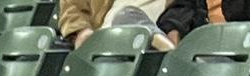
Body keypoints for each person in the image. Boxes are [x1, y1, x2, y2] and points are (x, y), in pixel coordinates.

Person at [58, 0, 203, 50]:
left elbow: (184, 9)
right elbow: (72, 8)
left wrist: (174, 31)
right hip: (105, 37)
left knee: (126, 15)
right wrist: (81, 31)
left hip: (149, 45)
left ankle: (168, 53)